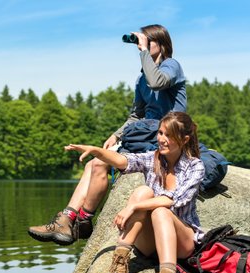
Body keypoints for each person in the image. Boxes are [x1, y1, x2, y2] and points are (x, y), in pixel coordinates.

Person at [28, 24, 187, 245]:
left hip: (165, 137)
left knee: (100, 164)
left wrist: (142, 52)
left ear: (161, 44)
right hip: (143, 136)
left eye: (147, 42)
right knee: (93, 163)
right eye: (141, 43)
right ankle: (68, 218)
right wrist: (117, 135)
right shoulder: (142, 79)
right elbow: (136, 115)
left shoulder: (172, 66)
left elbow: (157, 82)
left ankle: (83, 220)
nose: (142, 46)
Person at [65, 111, 204, 273]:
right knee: (143, 191)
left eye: (169, 135)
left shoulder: (195, 167)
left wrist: (133, 207)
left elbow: (172, 200)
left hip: (180, 244)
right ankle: (119, 262)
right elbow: (124, 161)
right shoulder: (153, 158)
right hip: (150, 243)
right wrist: (96, 151)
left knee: (160, 211)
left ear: (184, 139)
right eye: (160, 133)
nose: (162, 139)